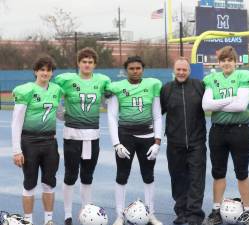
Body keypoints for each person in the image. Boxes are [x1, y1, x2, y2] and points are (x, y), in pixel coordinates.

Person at [54, 47, 112, 225]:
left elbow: (107, 103)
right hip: (72, 135)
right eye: (84, 61)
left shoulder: (102, 81)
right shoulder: (67, 80)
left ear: (94, 64)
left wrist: (109, 102)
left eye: (90, 62)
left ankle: (86, 210)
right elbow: (54, 96)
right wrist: (61, 113)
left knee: (88, 176)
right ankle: (68, 213)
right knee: (71, 175)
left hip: (92, 135)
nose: (87, 64)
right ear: (78, 63)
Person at [202, 46, 249, 225]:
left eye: (230, 60)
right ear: (219, 63)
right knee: (218, 173)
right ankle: (216, 210)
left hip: (239, 130)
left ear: (235, 62)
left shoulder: (243, 76)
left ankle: (248, 211)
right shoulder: (212, 79)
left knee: (242, 173)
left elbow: (240, 106)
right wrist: (229, 100)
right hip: (217, 130)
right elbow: (206, 106)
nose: (226, 63)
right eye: (223, 60)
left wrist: (216, 104)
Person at [107, 56, 163, 225]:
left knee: (148, 176)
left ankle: (151, 213)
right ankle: (119, 214)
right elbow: (111, 116)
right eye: (131, 68)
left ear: (143, 69)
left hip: (147, 136)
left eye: (138, 68)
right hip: (125, 137)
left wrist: (157, 142)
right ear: (126, 70)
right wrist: (116, 143)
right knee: (122, 175)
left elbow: (157, 116)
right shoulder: (117, 87)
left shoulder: (152, 85)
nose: (135, 71)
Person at [11, 56, 63, 225]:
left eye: (48, 70)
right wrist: (16, 150)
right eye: (42, 69)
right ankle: (28, 221)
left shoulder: (56, 89)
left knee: (49, 183)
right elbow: (16, 122)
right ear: (35, 71)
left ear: (52, 73)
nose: (45, 73)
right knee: (30, 184)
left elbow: (60, 113)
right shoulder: (26, 90)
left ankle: (48, 220)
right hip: (30, 142)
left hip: (49, 142)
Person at [160, 57, 207, 225]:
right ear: (174, 70)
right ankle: (181, 212)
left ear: (189, 71)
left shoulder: (199, 86)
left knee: (196, 179)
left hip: (197, 143)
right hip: (174, 144)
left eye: (184, 70)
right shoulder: (166, 89)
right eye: (178, 69)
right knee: (178, 179)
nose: (181, 72)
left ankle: (194, 214)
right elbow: (156, 113)